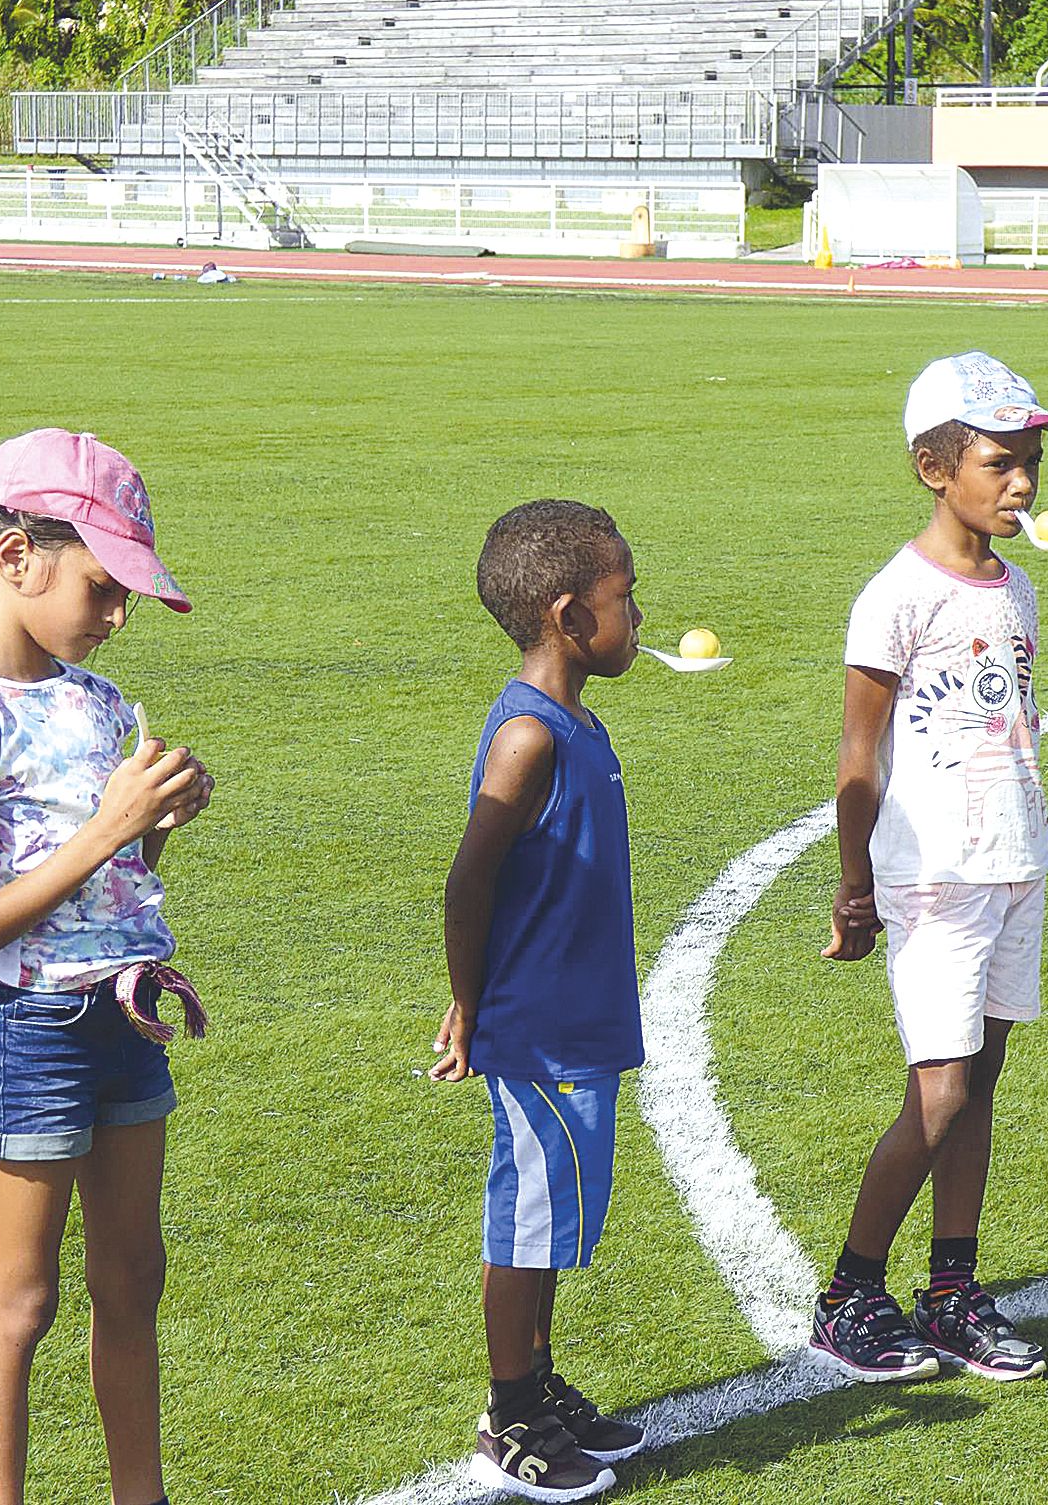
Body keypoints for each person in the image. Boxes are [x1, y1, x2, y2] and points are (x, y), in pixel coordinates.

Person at [0, 428, 212, 1505]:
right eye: (103, 585)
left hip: (125, 1016)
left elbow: (107, 883)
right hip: (29, 1030)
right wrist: (108, 827)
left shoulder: (95, 698)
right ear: (16, 556)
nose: (118, 613)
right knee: (23, 1298)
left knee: (133, 1277)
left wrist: (152, 828)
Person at [810, 351, 1048, 1385]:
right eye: (1000, 462)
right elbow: (857, 755)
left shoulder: (1019, 590)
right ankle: (848, 1292)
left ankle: (951, 1290)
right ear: (933, 467)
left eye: (1030, 462)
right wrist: (854, 885)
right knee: (941, 1091)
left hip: (1014, 861)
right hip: (933, 874)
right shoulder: (896, 596)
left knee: (979, 1084)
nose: (1022, 482)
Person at [433, 500, 647, 1503]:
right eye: (624, 597)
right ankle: (509, 1411)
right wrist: (468, 1004)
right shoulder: (529, 736)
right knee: (526, 1223)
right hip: (541, 1029)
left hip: (581, 1021)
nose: (637, 615)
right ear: (567, 616)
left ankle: (538, 1377)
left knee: (553, 1218)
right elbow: (466, 881)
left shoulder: (576, 722)